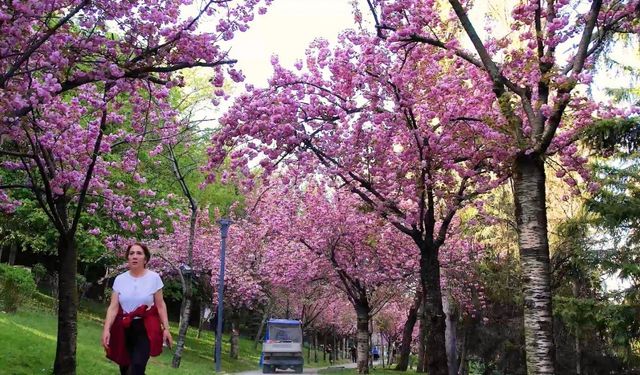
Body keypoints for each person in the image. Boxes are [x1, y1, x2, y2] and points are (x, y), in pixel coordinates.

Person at [102, 242, 173, 375]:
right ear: (127, 258)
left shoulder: (154, 278)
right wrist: (106, 330)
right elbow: (113, 307)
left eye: (139, 253)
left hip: (144, 328)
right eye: (131, 253)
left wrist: (166, 329)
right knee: (125, 368)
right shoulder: (120, 279)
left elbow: (160, 305)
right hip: (123, 326)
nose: (135, 256)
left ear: (145, 259)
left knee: (138, 366)